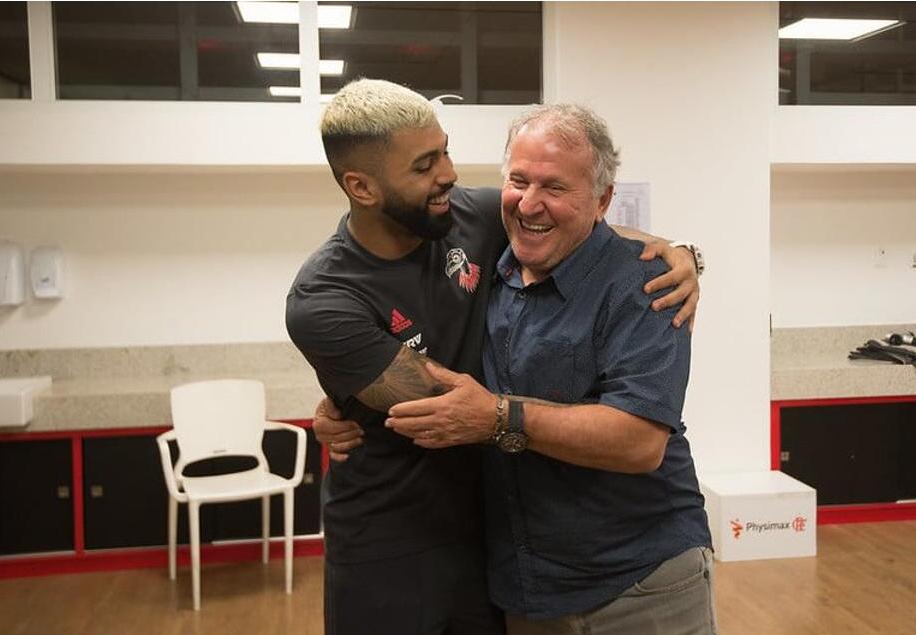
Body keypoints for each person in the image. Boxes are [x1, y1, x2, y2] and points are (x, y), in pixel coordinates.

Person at [286, 79, 700, 635]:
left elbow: (578, 223)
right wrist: (349, 397)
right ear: (361, 186)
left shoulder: (470, 217)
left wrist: (677, 252)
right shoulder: (323, 297)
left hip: (498, 544)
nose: (449, 174)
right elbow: (449, 406)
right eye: (424, 165)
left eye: (445, 151)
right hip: (388, 543)